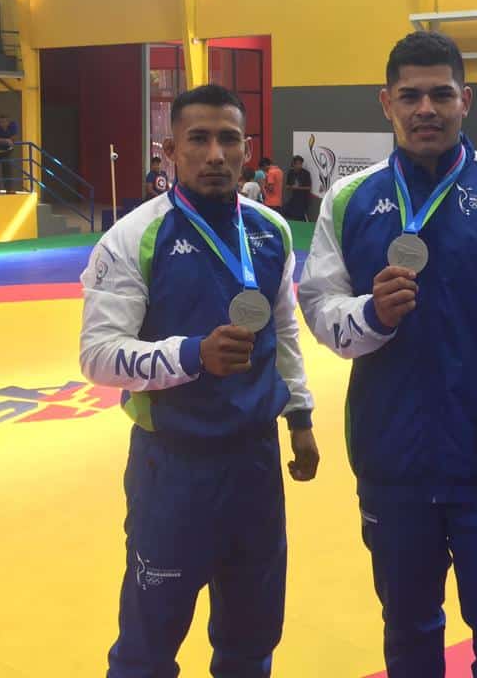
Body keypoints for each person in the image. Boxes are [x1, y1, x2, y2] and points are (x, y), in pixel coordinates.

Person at [298, 31, 477, 678]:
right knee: (408, 631)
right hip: (392, 455)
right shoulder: (350, 200)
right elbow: (320, 309)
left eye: (441, 94)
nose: (426, 108)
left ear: (467, 100)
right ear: (386, 103)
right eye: (410, 96)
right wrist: (369, 316)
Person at [79, 83, 319, 678]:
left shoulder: (270, 231)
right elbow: (97, 356)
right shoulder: (134, 237)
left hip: (256, 463)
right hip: (173, 466)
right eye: (199, 139)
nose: (215, 154)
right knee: (147, 646)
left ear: (246, 151)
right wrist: (191, 355)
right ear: (171, 150)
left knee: (251, 639)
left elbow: (283, 330)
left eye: (229, 139)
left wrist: (300, 416)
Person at [284, 155, 312, 222]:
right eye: (297, 164)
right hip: (292, 198)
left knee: (300, 218)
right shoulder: (291, 173)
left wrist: (298, 188)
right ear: (293, 164)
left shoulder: (306, 173)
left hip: (302, 199)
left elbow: (308, 187)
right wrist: (291, 187)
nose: (299, 166)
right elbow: (287, 186)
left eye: (300, 164)